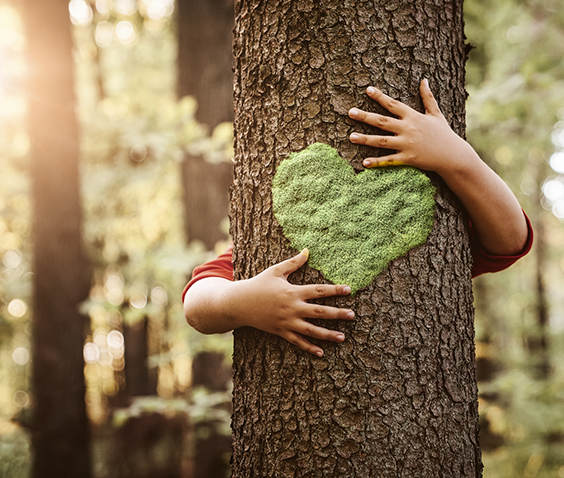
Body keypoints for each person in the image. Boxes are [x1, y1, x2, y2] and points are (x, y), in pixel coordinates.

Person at [182, 79, 533, 358]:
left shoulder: (443, 219)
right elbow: (197, 303)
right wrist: (242, 302)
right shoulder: (274, 237)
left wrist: (457, 158)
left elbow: (511, 240)